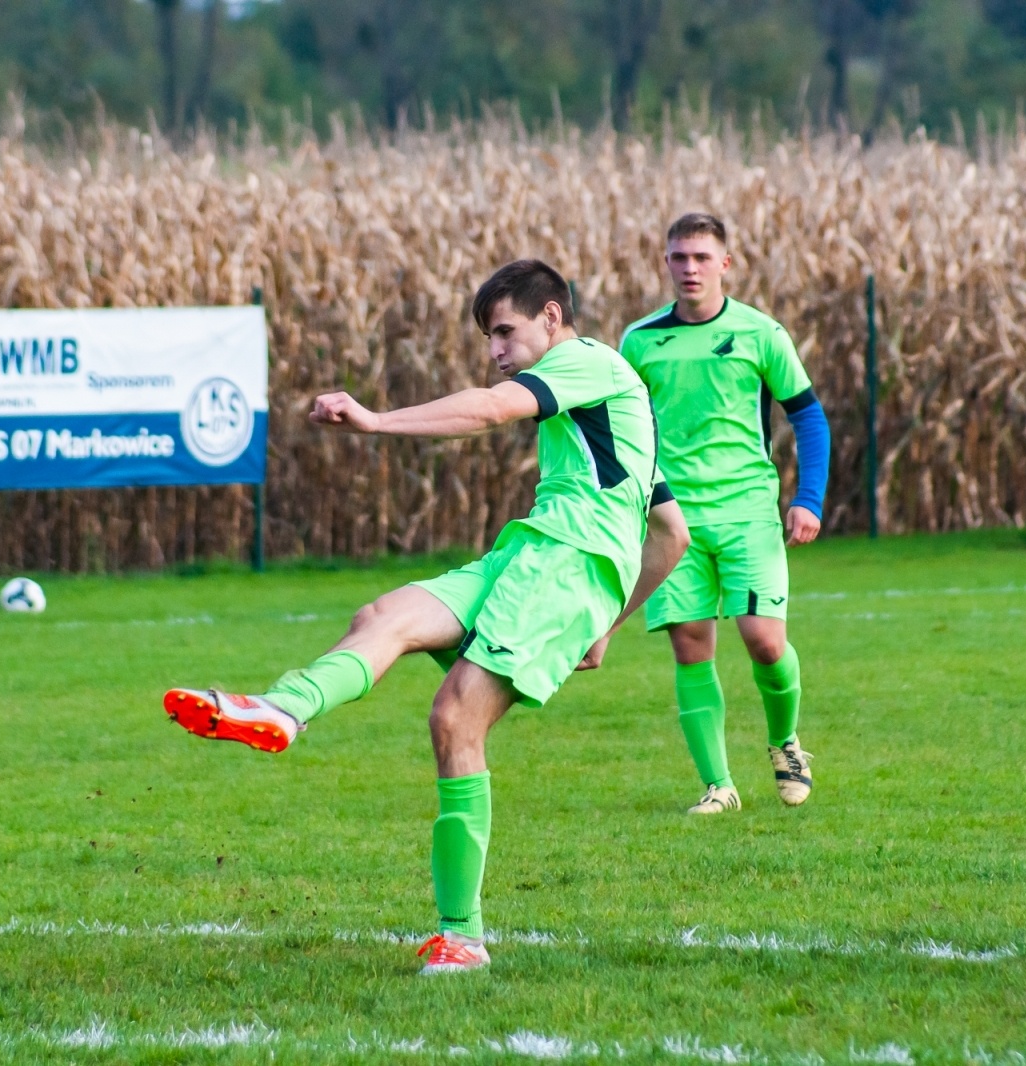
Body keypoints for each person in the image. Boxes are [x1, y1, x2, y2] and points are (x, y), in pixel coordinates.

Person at [162, 259, 690, 973]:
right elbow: (670, 536)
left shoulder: (591, 363)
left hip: (567, 563)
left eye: (505, 332)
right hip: (531, 555)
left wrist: (376, 421)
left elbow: (491, 407)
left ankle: (462, 936)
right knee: (386, 613)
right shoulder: (608, 415)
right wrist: (607, 622)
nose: (496, 351)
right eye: (489, 338)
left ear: (553, 319)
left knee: (454, 719)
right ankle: (285, 708)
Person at [619, 213, 831, 816]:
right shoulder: (639, 341)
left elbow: (809, 418)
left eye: (702, 258)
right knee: (691, 644)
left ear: (726, 264)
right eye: (679, 257)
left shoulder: (761, 333)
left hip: (747, 513)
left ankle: (786, 743)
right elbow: (624, 427)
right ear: (665, 263)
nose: (690, 268)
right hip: (671, 520)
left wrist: (808, 499)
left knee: (765, 643)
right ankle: (719, 786)